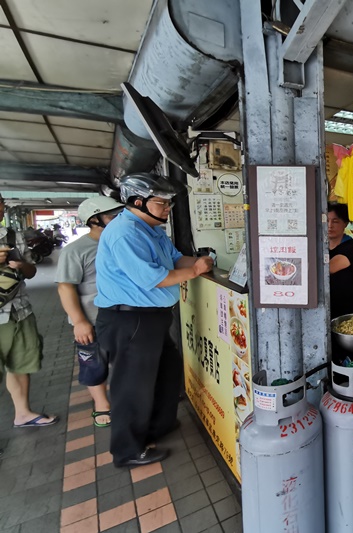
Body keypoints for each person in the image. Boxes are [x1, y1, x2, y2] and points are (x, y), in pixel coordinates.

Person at [95, 173, 213, 467]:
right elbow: (154, 278)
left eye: (169, 203)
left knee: (166, 372)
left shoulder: (151, 228)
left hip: (152, 319)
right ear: (138, 201)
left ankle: (159, 426)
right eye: (162, 203)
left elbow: (175, 260)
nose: (167, 208)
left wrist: (205, 262)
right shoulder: (125, 233)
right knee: (132, 386)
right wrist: (195, 271)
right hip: (130, 319)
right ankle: (127, 451)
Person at [56, 196, 124, 428]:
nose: (118, 218)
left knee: (125, 363)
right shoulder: (76, 250)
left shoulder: (121, 243)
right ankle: (102, 405)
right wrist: (79, 321)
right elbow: (65, 286)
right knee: (93, 364)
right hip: (92, 319)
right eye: (112, 215)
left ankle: (126, 400)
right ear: (94, 220)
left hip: (123, 316)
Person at [0, 194, 58, 428]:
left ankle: (23, 413)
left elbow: (31, 272)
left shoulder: (14, 237)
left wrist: (22, 266)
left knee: (21, 362)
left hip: (19, 310)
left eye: (0, 202)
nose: (0, 207)